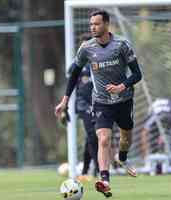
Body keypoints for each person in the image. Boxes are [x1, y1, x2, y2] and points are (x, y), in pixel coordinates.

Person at [55, 9, 142, 197]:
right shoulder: (87, 48)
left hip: (124, 100)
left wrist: (121, 86)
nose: (93, 27)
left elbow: (137, 74)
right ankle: (105, 180)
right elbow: (74, 74)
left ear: (106, 24)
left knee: (125, 139)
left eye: (96, 24)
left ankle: (122, 158)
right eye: (91, 24)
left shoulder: (122, 45)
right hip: (101, 102)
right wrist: (65, 100)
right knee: (103, 139)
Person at [72, 33, 99, 180]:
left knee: (92, 139)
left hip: (100, 105)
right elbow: (73, 88)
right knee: (92, 136)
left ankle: (84, 170)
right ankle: (99, 170)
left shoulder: (100, 61)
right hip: (84, 107)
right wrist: (66, 108)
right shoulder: (77, 64)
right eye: (82, 45)